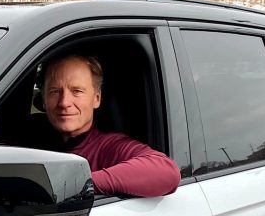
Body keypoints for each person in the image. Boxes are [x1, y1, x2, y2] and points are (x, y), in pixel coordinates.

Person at [40, 54, 181, 198]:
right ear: (43, 99)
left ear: (97, 99)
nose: (64, 102)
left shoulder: (109, 147)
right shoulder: (27, 142)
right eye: (54, 91)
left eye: (77, 91)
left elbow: (168, 172)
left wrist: (79, 185)